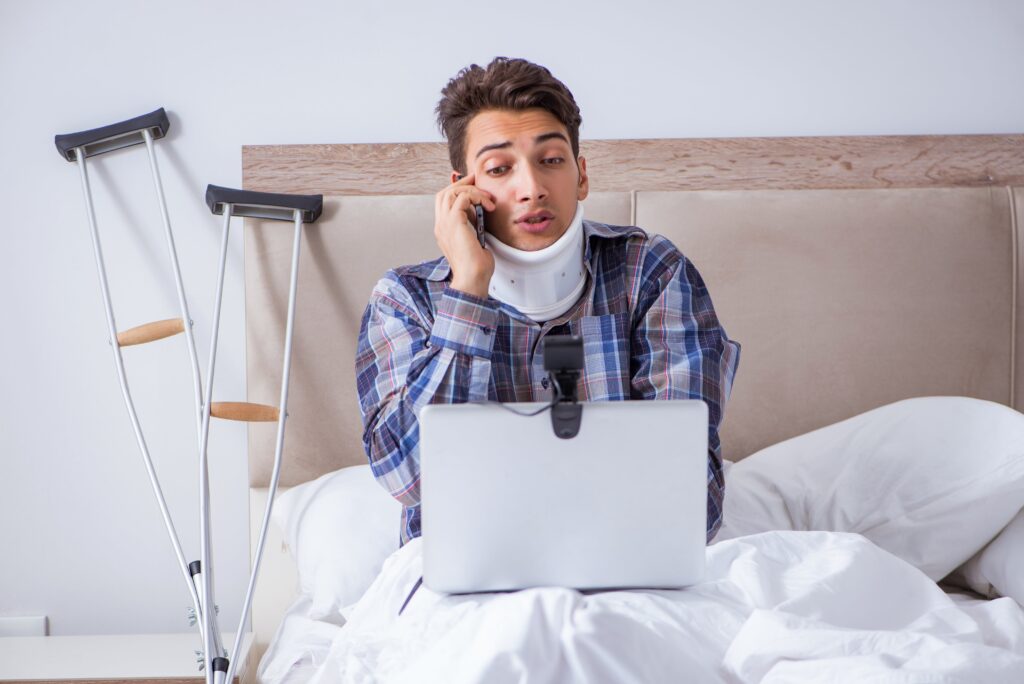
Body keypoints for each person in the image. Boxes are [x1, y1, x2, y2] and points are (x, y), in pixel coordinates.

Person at [355, 56, 741, 547]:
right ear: (462, 192)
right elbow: (408, 477)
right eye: (499, 168)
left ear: (580, 175)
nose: (532, 188)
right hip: (465, 588)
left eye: (551, 160)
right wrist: (469, 290)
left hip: (625, 570)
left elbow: (691, 500)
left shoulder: (650, 273)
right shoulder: (406, 300)